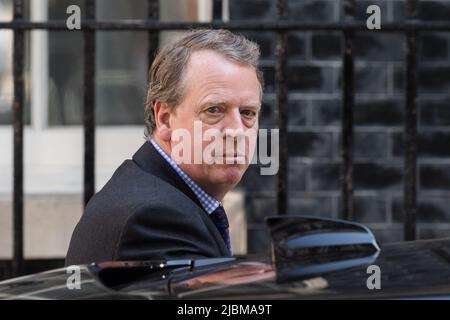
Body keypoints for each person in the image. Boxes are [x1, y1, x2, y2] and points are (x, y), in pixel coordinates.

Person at [65, 29, 263, 265]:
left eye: (247, 113)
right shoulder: (155, 219)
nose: (237, 131)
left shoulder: (159, 196)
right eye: (214, 110)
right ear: (165, 118)